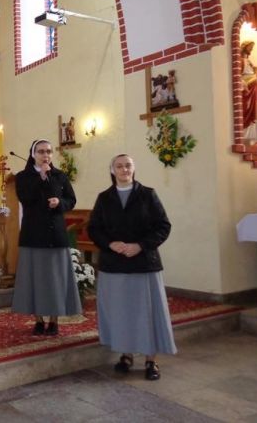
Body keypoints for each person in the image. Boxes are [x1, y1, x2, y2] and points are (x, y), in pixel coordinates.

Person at [86, 154, 176, 380]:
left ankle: (151, 360)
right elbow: (94, 229)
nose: (124, 169)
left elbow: (163, 226)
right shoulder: (104, 198)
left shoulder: (148, 195)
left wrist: (140, 246)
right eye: (119, 166)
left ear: (134, 169)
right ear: (112, 170)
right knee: (122, 312)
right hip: (114, 264)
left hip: (144, 263)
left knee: (147, 313)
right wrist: (109, 243)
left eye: (128, 165)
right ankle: (126, 355)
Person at [11, 139, 82, 336]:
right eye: (41, 151)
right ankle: (39, 320)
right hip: (33, 235)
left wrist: (59, 202)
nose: (46, 155)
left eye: (49, 151)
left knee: (55, 281)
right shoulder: (23, 177)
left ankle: (54, 321)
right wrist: (41, 178)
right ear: (33, 154)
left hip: (56, 235)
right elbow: (25, 198)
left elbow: (71, 200)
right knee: (35, 280)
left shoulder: (59, 175)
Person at [240, 41, 257, 141]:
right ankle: (244, 136)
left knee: (253, 110)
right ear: (244, 47)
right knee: (246, 110)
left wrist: (255, 74)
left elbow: (253, 74)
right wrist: (245, 83)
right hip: (246, 90)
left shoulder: (249, 61)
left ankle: (250, 138)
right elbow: (239, 76)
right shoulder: (240, 61)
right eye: (250, 47)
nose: (251, 50)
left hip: (253, 89)